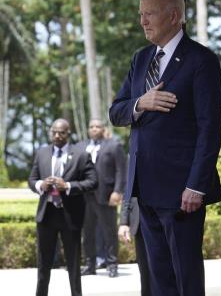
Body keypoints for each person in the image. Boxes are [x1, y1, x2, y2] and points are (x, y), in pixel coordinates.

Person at [109, 0, 221, 296]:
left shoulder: (201, 61)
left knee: (184, 277)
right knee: (158, 279)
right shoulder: (140, 58)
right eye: (141, 15)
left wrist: (196, 185)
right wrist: (140, 103)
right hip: (144, 188)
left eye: (149, 14)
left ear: (174, 16)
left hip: (181, 192)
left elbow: (210, 128)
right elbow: (116, 112)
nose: (143, 22)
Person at [28, 118, 97, 296]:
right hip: (46, 214)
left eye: (62, 132)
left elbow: (93, 181)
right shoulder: (41, 153)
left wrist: (67, 186)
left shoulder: (81, 154)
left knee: (73, 265)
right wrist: (40, 185)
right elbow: (32, 179)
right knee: (43, 264)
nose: (57, 136)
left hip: (70, 216)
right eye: (54, 132)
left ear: (68, 134)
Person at [77, 119, 126, 278]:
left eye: (97, 126)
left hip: (106, 196)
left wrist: (117, 191)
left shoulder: (114, 145)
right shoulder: (80, 146)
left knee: (109, 232)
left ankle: (112, 265)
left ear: (103, 129)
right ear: (88, 129)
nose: (94, 129)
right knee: (88, 233)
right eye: (91, 127)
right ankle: (90, 264)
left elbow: (121, 170)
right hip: (85, 197)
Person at [118, 197, 151, 296]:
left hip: (169, 217)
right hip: (141, 223)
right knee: (146, 276)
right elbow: (128, 190)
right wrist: (124, 222)